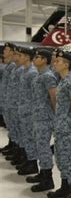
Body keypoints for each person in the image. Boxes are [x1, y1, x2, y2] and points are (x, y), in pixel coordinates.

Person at [48, 50, 71, 198]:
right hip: (61, 127)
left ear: (67, 64)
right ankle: (64, 187)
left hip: (70, 130)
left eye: (59, 61)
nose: (55, 63)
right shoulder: (62, 81)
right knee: (62, 159)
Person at [27, 48, 58, 192]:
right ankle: (42, 173)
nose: (35, 59)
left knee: (44, 147)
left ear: (45, 60)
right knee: (39, 145)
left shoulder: (48, 76)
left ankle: (48, 179)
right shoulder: (39, 75)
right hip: (37, 115)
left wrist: (54, 115)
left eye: (38, 57)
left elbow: (53, 97)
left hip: (45, 117)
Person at [16, 46, 39, 176]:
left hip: (30, 111)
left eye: (20, 55)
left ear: (26, 57)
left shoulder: (32, 72)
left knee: (31, 138)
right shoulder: (25, 71)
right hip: (23, 109)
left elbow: (35, 95)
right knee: (26, 137)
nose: (18, 57)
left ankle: (33, 163)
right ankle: (28, 160)